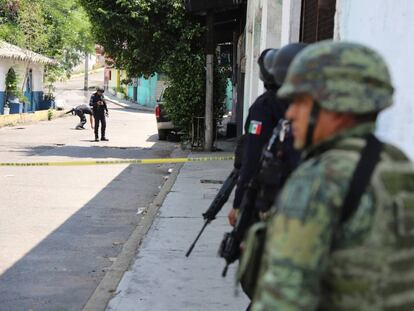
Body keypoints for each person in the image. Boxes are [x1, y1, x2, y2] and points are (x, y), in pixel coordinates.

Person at [252, 41, 413, 311]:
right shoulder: (398, 163)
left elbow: (284, 299)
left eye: (300, 102)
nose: (291, 113)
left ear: (336, 107)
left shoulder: (318, 180)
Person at [228, 48, 286, 226]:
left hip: (264, 192)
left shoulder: (263, 106)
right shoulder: (295, 102)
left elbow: (252, 156)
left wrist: (238, 202)